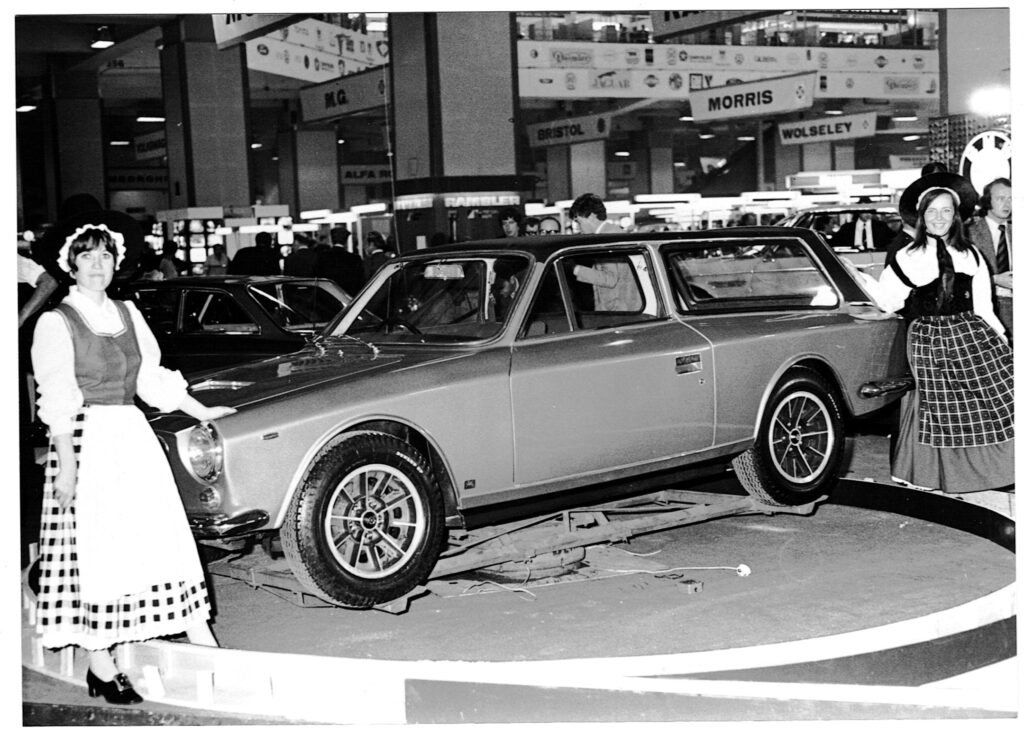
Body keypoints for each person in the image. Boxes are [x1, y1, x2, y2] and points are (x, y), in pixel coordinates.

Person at [31, 223, 235, 705]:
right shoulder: (56, 322)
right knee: (98, 550)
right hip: (86, 441)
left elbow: (150, 379)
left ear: (115, 263)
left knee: (157, 537)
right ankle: (100, 661)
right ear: (71, 264)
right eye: (87, 256)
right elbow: (57, 398)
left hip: (131, 437)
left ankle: (201, 639)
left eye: (105, 256)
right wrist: (67, 465)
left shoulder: (127, 312)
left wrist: (203, 411)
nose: (97, 265)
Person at [854, 171, 1013, 495]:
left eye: (946, 211)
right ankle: (940, 475)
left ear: (956, 216)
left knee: (1005, 391)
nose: (939, 218)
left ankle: (1004, 467)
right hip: (930, 339)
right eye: (932, 211)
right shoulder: (907, 257)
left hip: (970, 332)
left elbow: (984, 307)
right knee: (944, 406)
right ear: (921, 216)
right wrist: (860, 282)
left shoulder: (971, 255)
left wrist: (1002, 343)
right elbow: (889, 301)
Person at [966, 177, 1011, 275]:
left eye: (1010, 199)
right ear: (988, 200)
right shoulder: (969, 232)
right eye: (1001, 198)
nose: (1007, 204)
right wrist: (993, 279)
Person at [316, 226, 365, 295]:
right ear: (346, 241)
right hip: (348, 297)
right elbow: (360, 282)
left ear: (332, 240)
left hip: (327, 297)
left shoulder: (322, 257)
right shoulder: (355, 259)